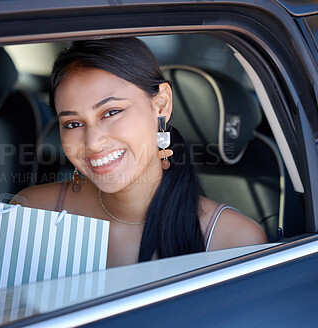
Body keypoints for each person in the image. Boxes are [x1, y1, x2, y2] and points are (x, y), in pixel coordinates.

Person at [14, 37, 267, 268]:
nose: (92, 143)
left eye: (111, 112)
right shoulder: (32, 213)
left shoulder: (233, 241)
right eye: (73, 124)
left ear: (161, 105)